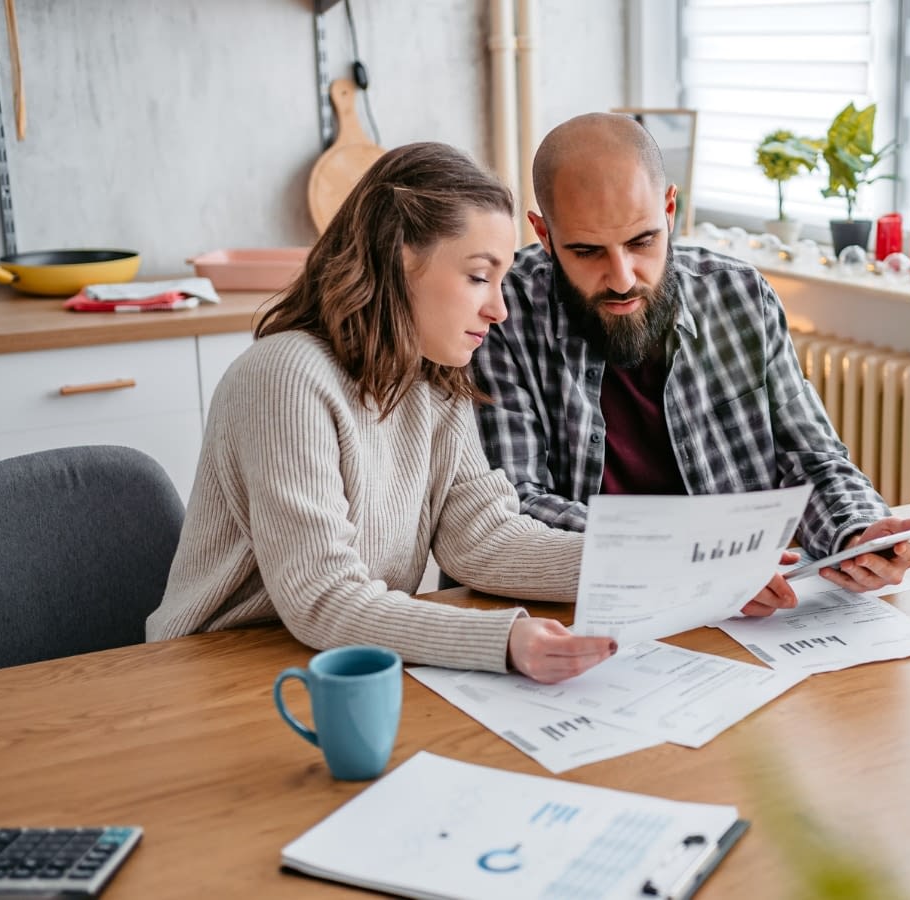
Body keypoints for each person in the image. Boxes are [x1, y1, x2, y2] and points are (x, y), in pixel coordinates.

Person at [147, 142, 616, 684]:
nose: (499, 308)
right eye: (477, 276)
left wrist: (645, 567)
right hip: (217, 673)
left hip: (335, 664)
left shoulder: (434, 380)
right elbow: (321, 596)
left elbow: (483, 540)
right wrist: (503, 640)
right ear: (401, 258)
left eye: (503, 279)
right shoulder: (285, 376)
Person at [471, 113, 910, 616]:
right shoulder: (501, 315)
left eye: (642, 241)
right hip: (568, 617)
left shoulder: (741, 296)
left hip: (737, 619)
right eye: (586, 251)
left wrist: (859, 532)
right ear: (544, 233)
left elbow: (811, 458)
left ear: (670, 209)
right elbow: (515, 507)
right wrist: (693, 561)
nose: (622, 278)